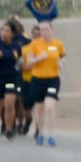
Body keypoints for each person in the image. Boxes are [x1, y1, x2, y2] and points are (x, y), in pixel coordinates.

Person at [23, 18, 65, 146]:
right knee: (39, 109)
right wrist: (38, 58)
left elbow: (62, 55)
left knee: (50, 107)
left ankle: (50, 135)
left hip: (52, 79)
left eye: (46, 29)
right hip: (37, 79)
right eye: (41, 30)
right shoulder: (35, 44)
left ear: (51, 30)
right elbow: (29, 62)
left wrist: (62, 62)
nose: (43, 32)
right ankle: (41, 133)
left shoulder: (57, 44)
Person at [0, 20, 25, 139]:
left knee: (9, 103)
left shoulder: (16, 47)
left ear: (12, 34)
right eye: (2, 30)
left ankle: (8, 130)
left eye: (7, 31)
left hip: (12, 77)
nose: (4, 33)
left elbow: (20, 61)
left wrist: (20, 68)